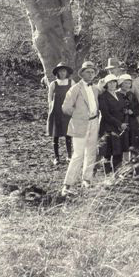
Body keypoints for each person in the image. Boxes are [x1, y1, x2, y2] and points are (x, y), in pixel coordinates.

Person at [60, 61, 101, 196]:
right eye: (87, 72)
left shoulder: (95, 88)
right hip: (79, 124)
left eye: (92, 72)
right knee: (78, 155)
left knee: (91, 153)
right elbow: (66, 108)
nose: (90, 74)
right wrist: (79, 116)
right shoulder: (75, 89)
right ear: (82, 73)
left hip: (94, 122)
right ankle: (67, 185)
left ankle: (87, 180)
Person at [46, 62, 75, 165]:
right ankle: (56, 157)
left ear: (67, 72)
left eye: (64, 71)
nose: (62, 73)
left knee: (68, 134)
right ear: (57, 72)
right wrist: (51, 107)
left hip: (67, 111)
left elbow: (75, 96)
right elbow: (49, 97)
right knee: (56, 134)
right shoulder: (54, 84)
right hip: (56, 111)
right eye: (60, 71)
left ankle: (69, 156)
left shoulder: (71, 82)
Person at [98, 74, 126, 175]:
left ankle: (117, 174)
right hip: (108, 127)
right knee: (108, 152)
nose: (112, 84)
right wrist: (119, 124)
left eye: (114, 82)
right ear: (106, 84)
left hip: (120, 128)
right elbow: (106, 114)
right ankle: (108, 175)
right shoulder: (103, 97)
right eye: (110, 83)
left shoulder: (119, 95)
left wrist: (124, 123)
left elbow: (124, 110)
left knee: (118, 152)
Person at [116, 74, 139, 161]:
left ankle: (129, 165)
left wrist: (132, 112)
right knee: (121, 143)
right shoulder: (116, 94)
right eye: (125, 83)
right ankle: (119, 166)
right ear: (120, 83)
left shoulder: (131, 95)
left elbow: (137, 109)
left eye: (129, 83)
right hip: (120, 123)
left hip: (131, 122)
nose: (127, 85)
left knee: (130, 143)